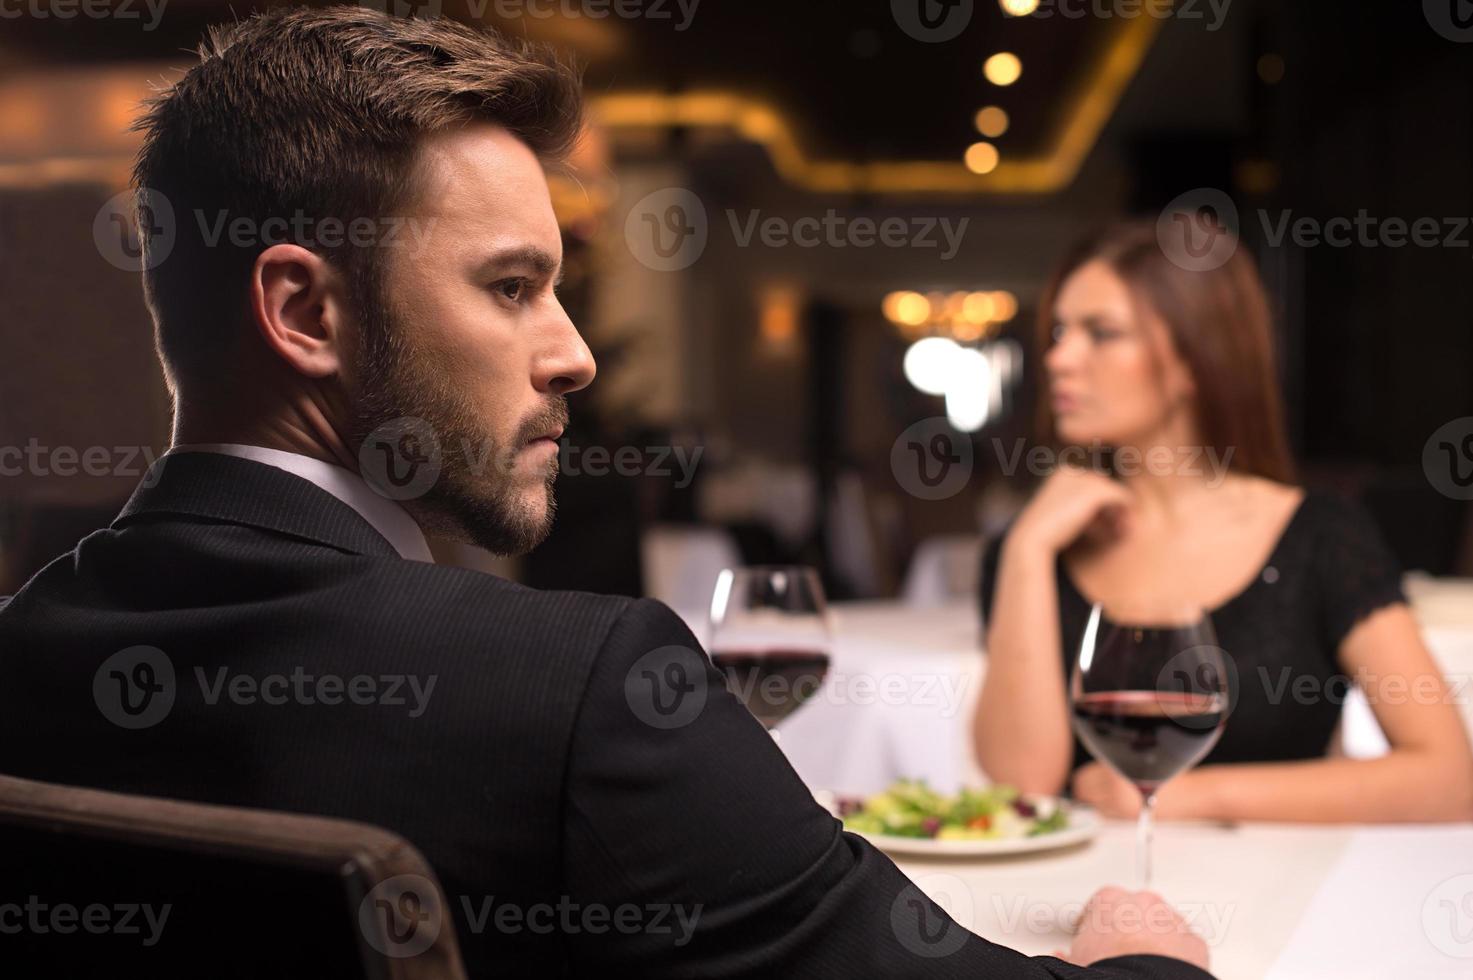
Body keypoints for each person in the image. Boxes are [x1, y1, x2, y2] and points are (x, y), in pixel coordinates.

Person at [0, 9, 1218, 977]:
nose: (575, 351)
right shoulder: (585, 692)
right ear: (305, 311)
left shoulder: (24, 650)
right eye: (514, 286)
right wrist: (1143, 956)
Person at [974, 222, 1473, 824]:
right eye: (1058, 332)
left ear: (1194, 359)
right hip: (1082, 904)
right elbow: (1023, 785)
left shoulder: (1318, 534)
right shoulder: (1031, 550)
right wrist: (1027, 547)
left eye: (1101, 333)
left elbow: (1450, 779)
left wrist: (1184, 796)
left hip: (1287, 900)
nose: (1058, 358)